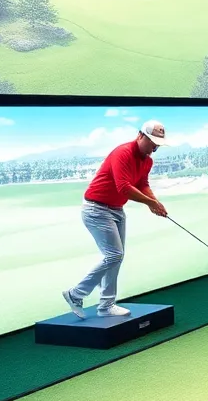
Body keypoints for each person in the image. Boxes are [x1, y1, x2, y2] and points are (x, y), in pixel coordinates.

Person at [61, 120, 170, 319]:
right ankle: (75, 294)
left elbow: (142, 184)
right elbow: (124, 187)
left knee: (116, 257)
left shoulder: (147, 160)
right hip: (96, 209)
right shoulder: (123, 153)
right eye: (152, 141)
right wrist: (150, 204)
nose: (155, 147)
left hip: (117, 210)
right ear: (140, 135)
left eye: (158, 144)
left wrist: (156, 202)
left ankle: (106, 306)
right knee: (113, 255)